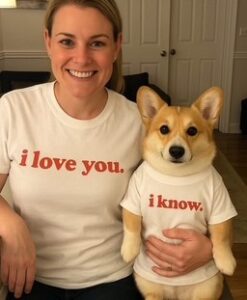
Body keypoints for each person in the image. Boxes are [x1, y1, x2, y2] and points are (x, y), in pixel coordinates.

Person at [0, 0, 231, 299]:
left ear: (117, 46)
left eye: (97, 43)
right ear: (48, 42)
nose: (81, 58)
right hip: (30, 276)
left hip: (116, 277)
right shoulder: (13, 109)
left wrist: (209, 246)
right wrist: (9, 223)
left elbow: (198, 191)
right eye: (67, 41)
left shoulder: (142, 125)